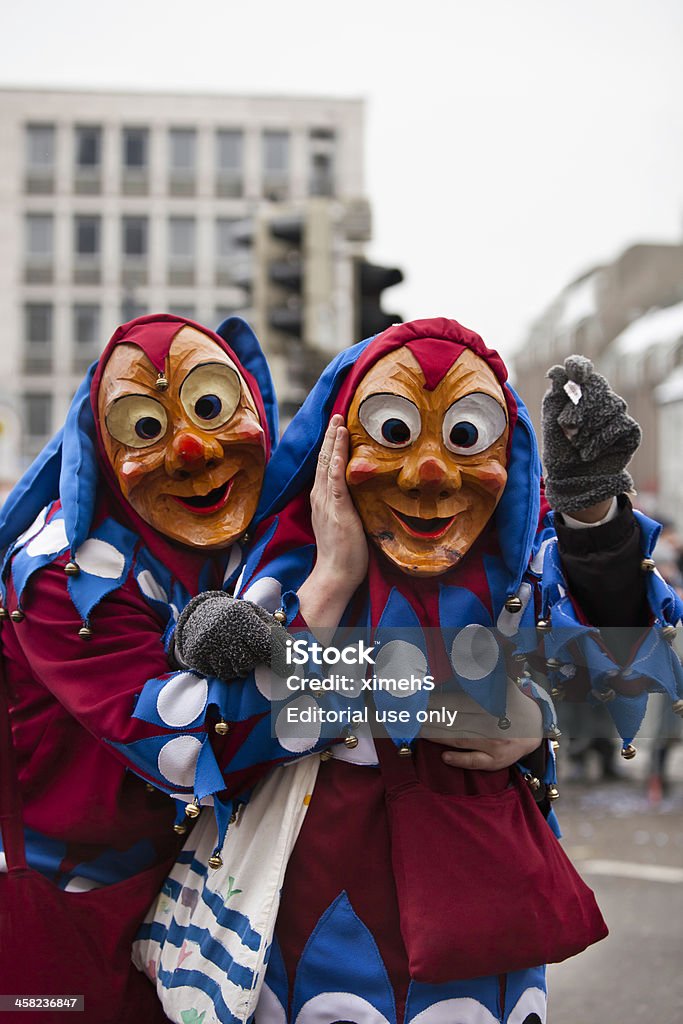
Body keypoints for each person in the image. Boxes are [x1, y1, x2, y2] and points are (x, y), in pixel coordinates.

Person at [173, 318, 683, 1024]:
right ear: (335, 445)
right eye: (393, 432)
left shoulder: (510, 569)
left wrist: (592, 508)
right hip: (312, 921)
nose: (430, 473)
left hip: (479, 929)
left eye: (465, 436)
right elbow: (210, 744)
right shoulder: (283, 573)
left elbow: (615, 648)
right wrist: (329, 583)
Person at [0, 314, 277, 1021]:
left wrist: (513, 711)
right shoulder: (61, 573)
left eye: (212, 407)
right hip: (69, 916)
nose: (192, 447)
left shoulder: (257, 540)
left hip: (196, 904)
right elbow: (185, 749)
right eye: (146, 427)